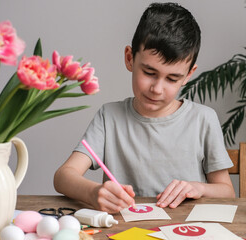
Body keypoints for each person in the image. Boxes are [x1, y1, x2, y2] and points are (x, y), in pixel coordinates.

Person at [54, 2, 235, 214]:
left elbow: (227, 192)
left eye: (172, 78)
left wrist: (199, 188)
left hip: (187, 231)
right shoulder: (109, 117)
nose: (157, 89)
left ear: (188, 75)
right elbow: (63, 176)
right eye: (149, 72)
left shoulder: (203, 119)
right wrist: (94, 193)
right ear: (130, 58)